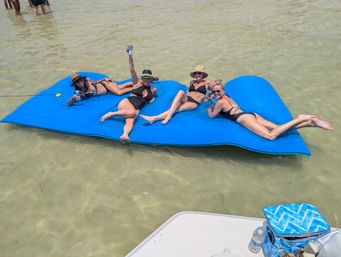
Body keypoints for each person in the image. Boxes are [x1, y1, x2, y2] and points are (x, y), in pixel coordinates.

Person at [207, 79, 334, 140]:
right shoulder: (226, 97)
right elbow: (220, 100)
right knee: (279, 128)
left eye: (218, 91)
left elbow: (213, 115)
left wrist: (209, 109)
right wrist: (213, 97)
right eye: (214, 91)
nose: (216, 93)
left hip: (243, 118)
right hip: (252, 114)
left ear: (223, 91)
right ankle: (311, 123)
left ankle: (300, 118)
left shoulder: (221, 102)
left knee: (271, 136)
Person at [100, 45, 158, 142]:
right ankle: (111, 114)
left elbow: (149, 99)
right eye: (144, 77)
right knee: (132, 113)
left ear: (151, 79)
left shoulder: (153, 90)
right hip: (126, 103)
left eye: (148, 78)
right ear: (141, 78)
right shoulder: (136, 83)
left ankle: (125, 135)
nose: (146, 79)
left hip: (137, 108)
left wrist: (152, 98)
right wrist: (130, 54)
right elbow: (132, 69)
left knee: (131, 120)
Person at [140, 65, 212, 125]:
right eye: (195, 73)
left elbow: (214, 90)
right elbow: (189, 91)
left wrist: (209, 97)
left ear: (203, 74)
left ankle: (155, 118)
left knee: (177, 109)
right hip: (187, 97)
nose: (197, 75)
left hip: (194, 102)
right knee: (180, 92)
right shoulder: (192, 82)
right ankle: (167, 116)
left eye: (199, 73)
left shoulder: (207, 83)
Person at [67, 73, 134, 106]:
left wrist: (104, 79)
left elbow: (95, 83)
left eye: (80, 80)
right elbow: (68, 103)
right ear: (75, 84)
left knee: (119, 92)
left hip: (105, 85)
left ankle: (135, 88)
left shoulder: (87, 80)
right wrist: (72, 100)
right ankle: (138, 83)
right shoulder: (78, 92)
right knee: (121, 86)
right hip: (108, 91)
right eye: (77, 82)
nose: (80, 82)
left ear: (82, 79)